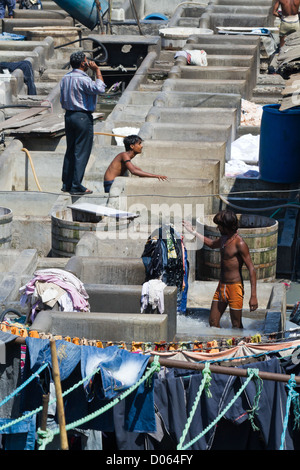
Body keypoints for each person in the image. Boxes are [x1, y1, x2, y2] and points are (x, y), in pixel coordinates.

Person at [182, 210, 258, 329]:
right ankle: (220, 345)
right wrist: (193, 231)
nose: (218, 228)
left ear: (226, 227)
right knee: (213, 322)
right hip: (221, 286)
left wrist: (253, 296)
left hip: (235, 288)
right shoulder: (224, 239)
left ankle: (239, 345)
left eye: (219, 226)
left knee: (236, 325)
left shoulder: (240, 243)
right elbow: (211, 244)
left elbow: (252, 270)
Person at [60, 51, 106, 195]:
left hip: (69, 116)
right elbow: (100, 89)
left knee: (71, 150)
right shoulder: (83, 79)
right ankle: (76, 185)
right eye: (86, 61)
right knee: (81, 152)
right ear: (83, 63)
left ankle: (67, 184)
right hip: (82, 117)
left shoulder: (65, 78)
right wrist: (97, 70)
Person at [103, 134, 168, 193]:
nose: (141, 146)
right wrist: (156, 176)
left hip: (113, 183)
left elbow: (137, 170)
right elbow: (133, 171)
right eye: (139, 144)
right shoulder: (124, 155)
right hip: (110, 184)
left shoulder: (127, 158)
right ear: (132, 146)